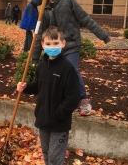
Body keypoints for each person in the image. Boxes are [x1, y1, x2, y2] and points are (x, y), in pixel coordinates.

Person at [32, 0, 111, 116]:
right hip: (54, 47)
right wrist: (34, 58)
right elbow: (40, 34)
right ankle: (61, 100)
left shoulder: (68, 0)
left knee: (72, 70)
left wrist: (103, 36)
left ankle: (84, 100)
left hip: (71, 44)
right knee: (54, 73)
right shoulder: (44, 9)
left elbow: (85, 18)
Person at [17, 26, 81, 165]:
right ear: (42, 45)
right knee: (46, 153)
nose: (52, 46)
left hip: (59, 123)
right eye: (48, 44)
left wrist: (57, 114)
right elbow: (39, 87)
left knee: (55, 157)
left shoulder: (67, 69)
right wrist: (26, 87)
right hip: (43, 119)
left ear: (63, 44)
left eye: (56, 43)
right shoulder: (41, 67)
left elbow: (73, 98)